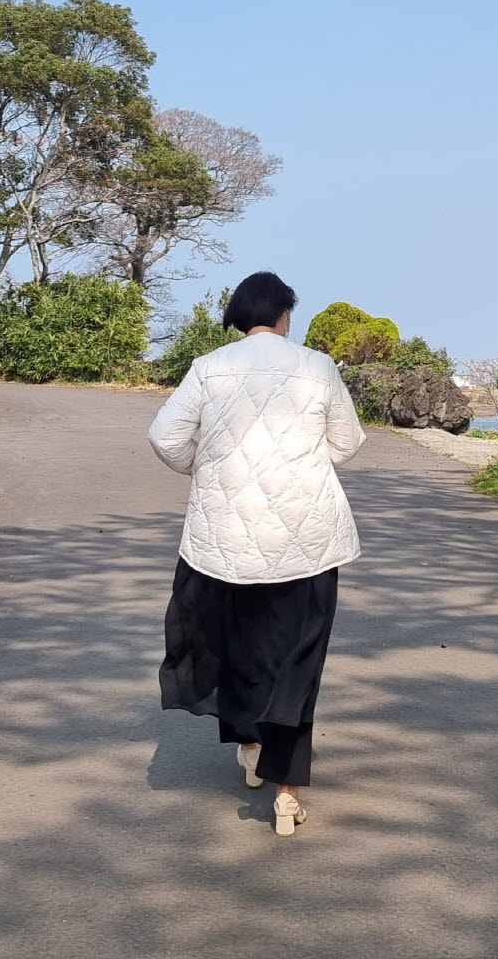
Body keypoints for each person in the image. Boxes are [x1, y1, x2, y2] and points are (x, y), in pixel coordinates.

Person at [146, 271, 364, 837]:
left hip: (224, 541)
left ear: (238, 318)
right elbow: (348, 442)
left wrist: (209, 468)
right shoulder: (317, 366)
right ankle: (286, 792)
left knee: (238, 648)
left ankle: (248, 747)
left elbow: (166, 438)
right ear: (285, 315)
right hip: (308, 541)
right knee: (298, 662)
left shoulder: (209, 367)